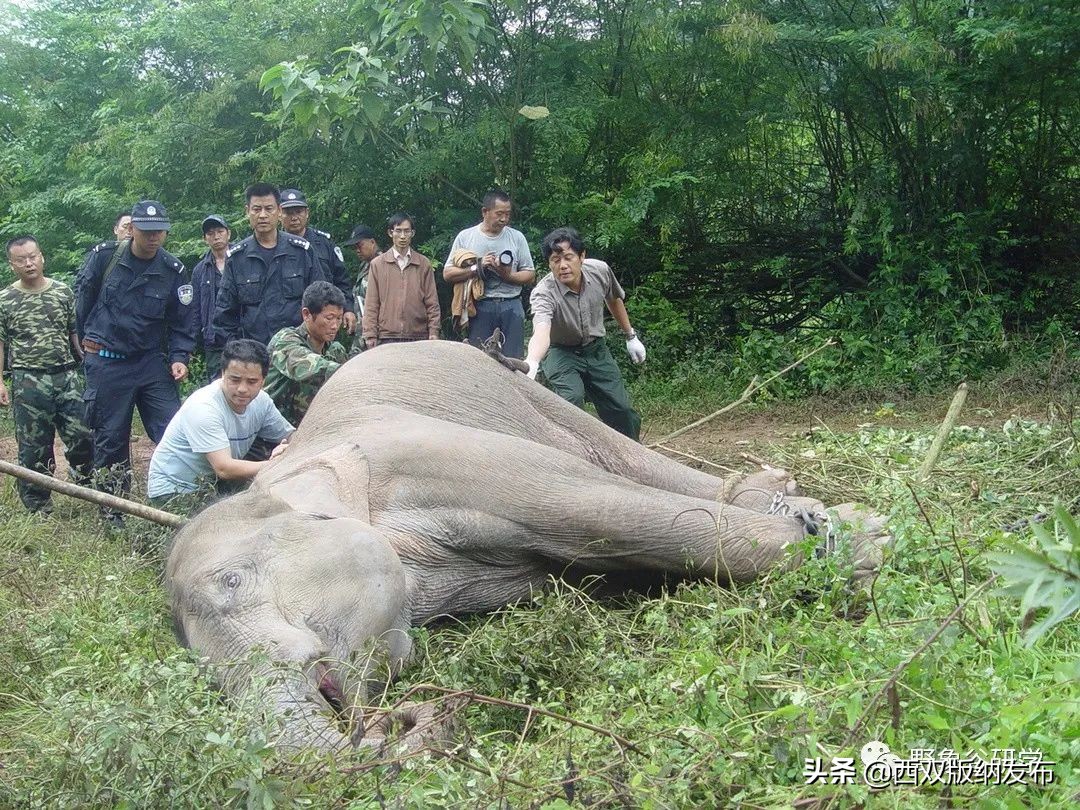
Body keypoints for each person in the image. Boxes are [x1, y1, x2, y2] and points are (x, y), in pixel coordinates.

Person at [75, 200, 196, 519]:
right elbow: (82, 305)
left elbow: (183, 321)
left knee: (174, 430)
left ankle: (182, 500)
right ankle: (113, 513)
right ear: (132, 230)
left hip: (150, 363)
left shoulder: (173, 269)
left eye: (160, 231)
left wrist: (179, 356)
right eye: (146, 230)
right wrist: (85, 345)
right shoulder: (104, 257)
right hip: (108, 363)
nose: (153, 236)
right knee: (111, 439)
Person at [524, 227, 646, 440]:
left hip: (596, 349)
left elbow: (614, 299)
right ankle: (574, 458)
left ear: (582, 256)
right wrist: (532, 362)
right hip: (561, 352)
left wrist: (631, 336)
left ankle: (632, 458)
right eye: (555, 260)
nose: (562, 266)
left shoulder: (600, 271)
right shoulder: (543, 293)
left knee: (623, 411)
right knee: (571, 402)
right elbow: (541, 330)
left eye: (568, 257)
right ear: (549, 264)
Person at [0, 236, 93, 513]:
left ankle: (90, 491)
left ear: (42, 257)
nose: (28, 263)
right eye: (21, 259)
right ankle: (38, 507)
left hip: (66, 377)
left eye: (32, 256)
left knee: (82, 437)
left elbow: (74, 333)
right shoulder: (5, 300)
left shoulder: (63, 292)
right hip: (28, 380)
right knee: (34, 448)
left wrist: (88, 362)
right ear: (11, 264)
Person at [147, 339, 293, 505]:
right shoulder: (204, 407)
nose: (242, 389)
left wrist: (289, 449)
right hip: (175, 490)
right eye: (235, 379)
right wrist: (278, 463)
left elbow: (292, 436)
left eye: (252, 382)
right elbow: (224, 468)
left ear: (263, 381)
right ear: (223, 374)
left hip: (214, 485)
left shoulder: (262, 402)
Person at [213, 183, 319, 346]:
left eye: (269, 209)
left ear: (279, 211)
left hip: (299, 351)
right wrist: (238, 353)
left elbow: (320, 303)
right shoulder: (237, 258)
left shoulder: (302, 251)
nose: (262, 215)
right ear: (247, 211)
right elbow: (224, 315)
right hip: (255, 354)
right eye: (256, 209)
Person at [442, 190, 535, 358]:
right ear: (485, 212)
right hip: (479, 306)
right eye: (499, 214)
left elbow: (529, 274)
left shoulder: (517, 237)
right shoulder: (466, 237)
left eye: (507, 214)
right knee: (480, 359)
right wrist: (477, 267)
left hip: (511, 305)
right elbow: (448, 274)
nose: (504, 219)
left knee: (513, 360)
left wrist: (507, 275)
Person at [264, 281, 348, 426]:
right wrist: (353, 370)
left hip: (313, 428)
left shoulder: (335, 350)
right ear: (306, 314)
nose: (335, 326)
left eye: (339, 319)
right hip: (273, 431)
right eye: (329, 318)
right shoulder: (285, 341)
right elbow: (308, 366)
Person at [279, 188, 357, 335]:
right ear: (279, 214)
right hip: (287, 321)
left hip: (323, 321)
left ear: (307, 213)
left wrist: (348, 309)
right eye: (288, 212)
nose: (294, 217)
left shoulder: (324, 243)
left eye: (298, 211)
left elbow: (342, 279)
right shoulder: (274, 246)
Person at [362, 213, 440, 347]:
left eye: (407, 231)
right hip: (387, 336)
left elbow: (432, 301)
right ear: (390, 233)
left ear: (412, 233)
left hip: (418, 336)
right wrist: (370, 334)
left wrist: (434, 331)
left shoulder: (423, 264)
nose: (403, 236)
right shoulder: (378, 264)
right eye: (398, 231)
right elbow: (371, 303)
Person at [190, 214, 231, 381]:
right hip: (213, 340)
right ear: (205, 238)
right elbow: (194, 309)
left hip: (242, 335)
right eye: (210, 233)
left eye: (220, 231)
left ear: (228, 233)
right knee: (216, 387)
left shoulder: (243, 259)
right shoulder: (199, 270)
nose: (216, 236)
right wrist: (191, 344)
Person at [342, 223, 378, 355]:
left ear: (372, 242)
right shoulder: (365, 265)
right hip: (360, 332)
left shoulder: (385, 265)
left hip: (376, 333)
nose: (357, 250)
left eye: (360, 245)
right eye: (355, 247)